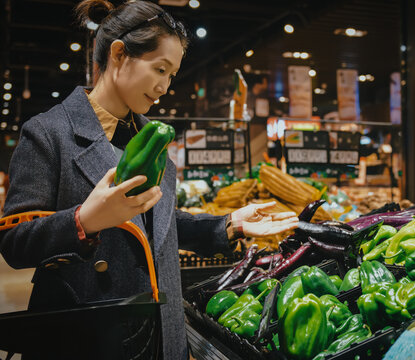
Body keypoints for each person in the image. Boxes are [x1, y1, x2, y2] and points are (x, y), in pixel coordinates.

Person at [0, 1, 298, 359]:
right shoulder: (49, 133)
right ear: (119, 54)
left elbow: (155, 225)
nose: (165, 87)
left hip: (159, 328)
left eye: (172, 75)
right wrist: (84, 222)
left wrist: (228, 225)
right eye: (160, 69)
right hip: (90, 333)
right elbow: (15, 242)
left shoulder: (152, 139)